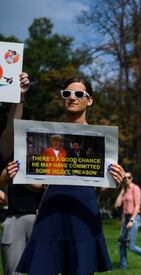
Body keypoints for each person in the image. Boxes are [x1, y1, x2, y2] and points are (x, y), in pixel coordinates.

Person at [5, 76, 125, 275]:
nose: (72, 98)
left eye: (79, 94)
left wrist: (117, 183)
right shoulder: (47, 135)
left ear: (90, 100)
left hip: (83, 214)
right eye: (66, 94)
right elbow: (38, 186)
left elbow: (104, 192)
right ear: (62, 98)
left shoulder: (101, 139)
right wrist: (22, 176)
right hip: (50, 212)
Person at [0, 73, 42, 275]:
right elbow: (11, 126)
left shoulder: (50, 155)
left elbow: (44, 187)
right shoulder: (11, 152)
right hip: (14, 218)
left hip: (41, 218)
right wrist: (20, 96)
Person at [115, 171, 141, 270]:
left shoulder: (135, 188)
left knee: (130, 246)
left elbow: (137, 206)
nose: (126, 179)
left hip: (134, 218)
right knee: (121, 243)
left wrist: (132, 220)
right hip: (126, 218)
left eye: (128, 177)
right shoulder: (125, 190)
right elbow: (117, 204)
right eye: (124, 178)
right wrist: (122, 191)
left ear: (132, 178)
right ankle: (123, 268)